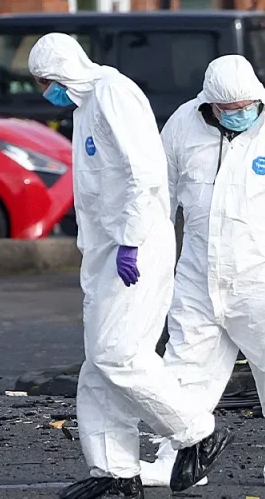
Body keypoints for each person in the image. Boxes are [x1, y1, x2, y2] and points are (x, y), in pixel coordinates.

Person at [27, 34, 234, 499]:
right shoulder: (85, 106)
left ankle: (198, 432)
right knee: (98, 365)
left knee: (119, 354)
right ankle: (114, 470)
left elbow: (145, 173)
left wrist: (131, 241)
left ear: (61, 72)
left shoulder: (112, 94)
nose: (45, 91)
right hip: (107, 250)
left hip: (134, 247)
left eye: (45, 81)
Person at [139, 54, 265, 488]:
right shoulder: (182, 124)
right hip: (197, 275)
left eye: (247, 106)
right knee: (183, 367)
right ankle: (176, 456)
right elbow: (159, 195)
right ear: (210, 103)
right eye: (230, 109)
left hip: (262, 279)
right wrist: (147, 253)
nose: (240, 114)